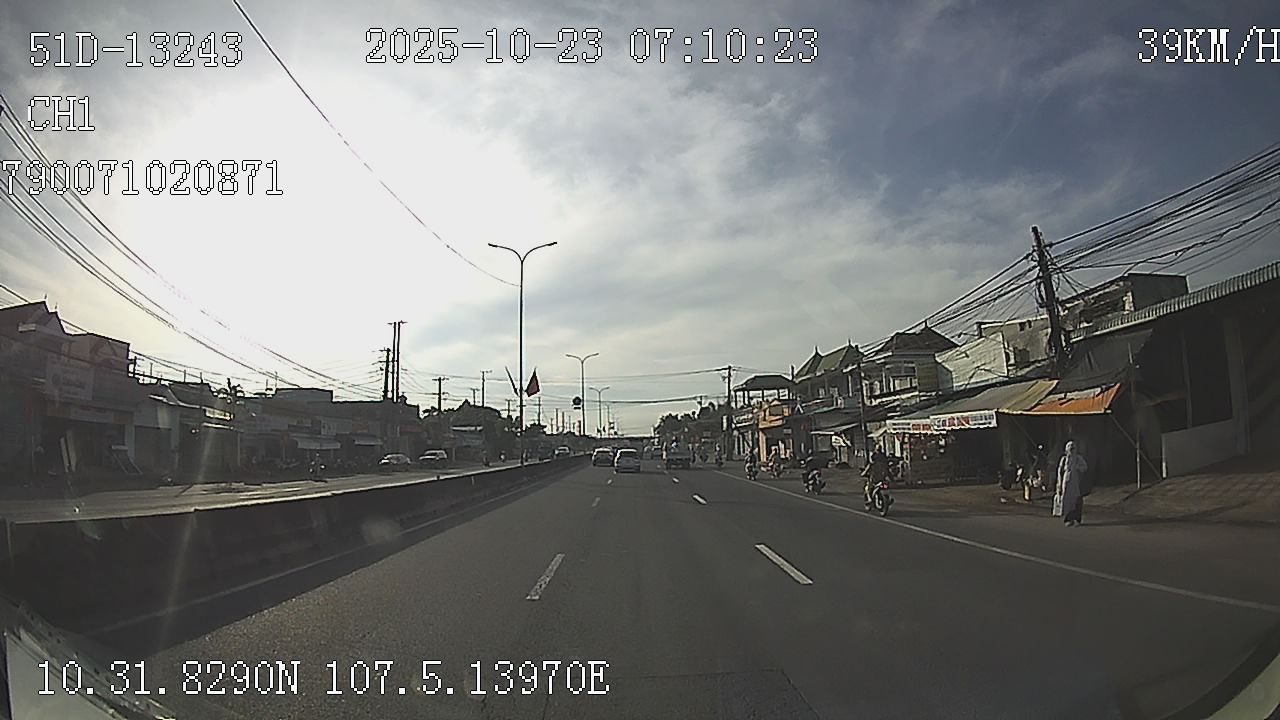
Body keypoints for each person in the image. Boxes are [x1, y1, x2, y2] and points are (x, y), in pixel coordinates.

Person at [1054, 440, 1089, 526]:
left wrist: (1077, 468)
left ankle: (1076, 519)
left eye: (1073, 449)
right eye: (1070, 449)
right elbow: (1060, 472)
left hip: (1076, 483)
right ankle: (1068, 519)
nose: (1072, 451)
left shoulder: (1078, 458)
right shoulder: (1064, 459)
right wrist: (1059, 484)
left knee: (1076, 501)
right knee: (1067, 501)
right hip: (1066, 483)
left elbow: (1084, 467)